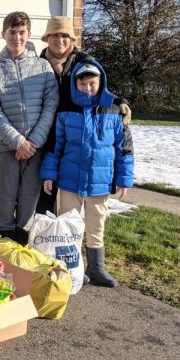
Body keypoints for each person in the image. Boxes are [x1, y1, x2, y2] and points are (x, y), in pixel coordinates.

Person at [40, 60, 134, 287]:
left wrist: (123, 179)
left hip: (99, 183)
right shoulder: (66, 111)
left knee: (96, 224)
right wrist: (49, 174)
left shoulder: (114, 111)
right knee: (68, 226)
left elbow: (125, 149)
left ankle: (97, 268)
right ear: (76, 85)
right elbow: (55, 145)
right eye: (83, 84)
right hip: (70, 181)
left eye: (93, 83)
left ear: (100, 83)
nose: (88, 88)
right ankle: (71, 267)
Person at [35, 16, 132, 214]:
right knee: (45, 188)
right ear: (47, 38)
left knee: (72, 188)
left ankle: (73, 232)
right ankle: (46, 235)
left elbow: (99, 89)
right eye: (54, 35)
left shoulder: (84, 62)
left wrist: (120, 102)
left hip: (74, 130)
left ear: (72, 39)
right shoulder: (37, 64)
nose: (59, 40)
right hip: (44, 130)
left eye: (64, 35)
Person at [0, 11, 58, 244]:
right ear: (3, 34)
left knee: (28, 201)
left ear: (29, 34)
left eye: (21, 32)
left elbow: (50, 105)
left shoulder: (44, 67)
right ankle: (4, 250)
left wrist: (32, 142)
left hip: (36, 148)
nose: (17, 37)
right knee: (4, 201)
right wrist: (18, 142)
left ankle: (23, 250)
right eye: (12, 32)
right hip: (5, 148)